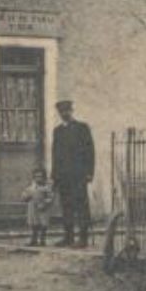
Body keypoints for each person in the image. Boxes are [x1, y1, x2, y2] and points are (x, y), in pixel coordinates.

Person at [51, 100, 95, 248]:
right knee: (66, 207)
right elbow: (55, 155)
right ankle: (68, 237)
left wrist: (89, 172)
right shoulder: (57, 131)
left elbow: (90, 151)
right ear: (59, 113)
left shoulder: (82, 128)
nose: (65, 114)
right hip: (63, 177)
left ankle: (83, 238)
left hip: (79, 175)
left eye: (67, 111)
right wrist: (54, 176)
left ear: (72, 111)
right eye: (62, 112)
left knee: (81, 207)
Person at [21, 165, 56, 246]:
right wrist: (26, 196)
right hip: (33, 207)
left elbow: (50, 197)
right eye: (36, 176)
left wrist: (45, 203)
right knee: (34, 224)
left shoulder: (47, 187)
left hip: (43, 208)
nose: (38, 178)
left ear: (44, 177)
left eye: (40, 176)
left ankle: (42, 240)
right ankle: (34, 240)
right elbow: (25, 194)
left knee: (43, 224)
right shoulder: (31, 186)